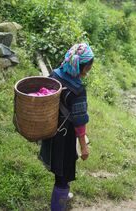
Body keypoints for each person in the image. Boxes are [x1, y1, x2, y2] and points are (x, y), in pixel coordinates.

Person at [39, 43, 94, 211]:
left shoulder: (54, 74)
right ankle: (58, 206)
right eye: (89, 65)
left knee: (59, 169)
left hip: (50, 131)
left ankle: (63, 195)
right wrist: (84, 148)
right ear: (82, 67)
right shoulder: (78, 90)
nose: (90, 69)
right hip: (65, 137)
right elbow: (79, 122)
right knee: (63, 174)